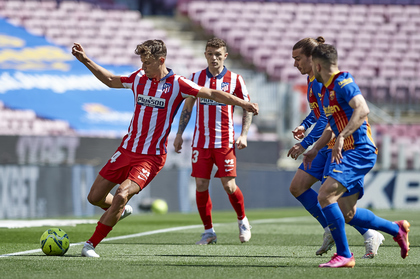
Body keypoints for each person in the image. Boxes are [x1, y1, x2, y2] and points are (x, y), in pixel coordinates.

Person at [71, 39, 259, 257]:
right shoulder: (139, 78)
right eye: (141, 62)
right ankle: (119, 210)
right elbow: (111, 80)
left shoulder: (179, 84)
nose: (143, 67)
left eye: (147, 63)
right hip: (125, 150)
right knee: (94, 197)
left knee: (122, 194)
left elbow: (213, 94)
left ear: (161, 61)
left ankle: (90, 245)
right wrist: (85, 59)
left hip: (150, 157)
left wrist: (243, 103)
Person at [303, 43, 410, 268]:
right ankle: (396, 229)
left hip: (359, 150)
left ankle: (344, 255)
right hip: (347, 151)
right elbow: (332, 126)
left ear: (318, 65)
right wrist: (314, 148)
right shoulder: (325, 91)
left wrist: (342, 136)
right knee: (348, 213)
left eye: (312, 65)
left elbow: (362, 109)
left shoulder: (343, 81)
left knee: (325, 196)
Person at [287, 37, 385, 259]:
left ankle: (369, 234)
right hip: (326, 144)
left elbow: (327, 119)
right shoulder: (313, 81)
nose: (295, 64)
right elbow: (317, 113)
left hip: (336, 145)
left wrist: (305, 144)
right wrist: (303, 125)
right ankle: (332, 229)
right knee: (298, 187)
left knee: (337, 204)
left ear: (312, 59)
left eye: (298, 58)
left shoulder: (323, 82)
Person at [173, 38, 252, 245]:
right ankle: (208, 232)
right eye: (210, 53)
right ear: (205, 54)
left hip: (225, 141)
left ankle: (242, 220)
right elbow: (188, 106)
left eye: (218, 54)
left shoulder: (235, 79)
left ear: (225, 55)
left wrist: (243, 134)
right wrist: (180, 133)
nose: (214, 58)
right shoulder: (195, 77)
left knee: (229, 185)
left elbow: (247, 107)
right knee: (200, 184)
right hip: (201, 142)